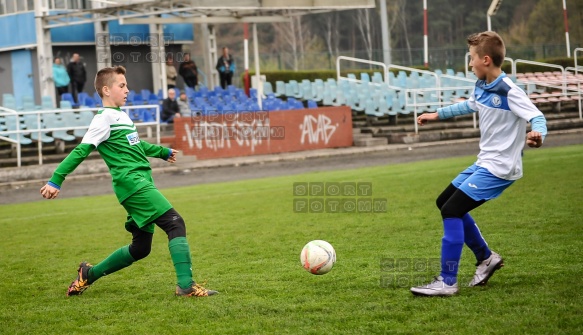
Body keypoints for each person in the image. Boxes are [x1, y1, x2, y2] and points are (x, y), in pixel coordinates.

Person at [39, 66, 217, 298]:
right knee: (175, 223)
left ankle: (88, 274)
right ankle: (186, 286)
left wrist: (161, 152)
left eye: (126, 85)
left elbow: (136, 144)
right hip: (132, 184)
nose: (127, 90)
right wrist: (56, 180)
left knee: (141, 248)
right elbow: (80, 151)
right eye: (121, 85)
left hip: (141, 181)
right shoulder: (102, 119)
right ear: (106, 90)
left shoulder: (121, 116)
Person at [410, 31, 547, 297]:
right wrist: (435, 114)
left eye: (471, 59)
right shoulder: (482, 86)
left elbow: (537, 116)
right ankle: (486, 258)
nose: (470, 64)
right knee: (444, 202)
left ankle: (447, 281)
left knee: (451, 209)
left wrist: (537, 135)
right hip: (484, 162)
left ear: (485, 59)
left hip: (500, 168)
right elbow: (469, 106)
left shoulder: (509, 90)